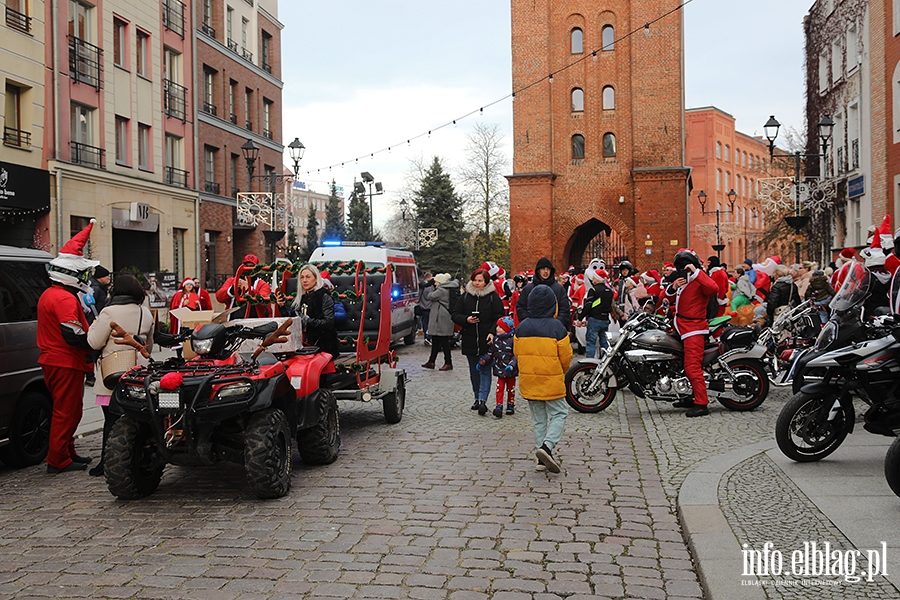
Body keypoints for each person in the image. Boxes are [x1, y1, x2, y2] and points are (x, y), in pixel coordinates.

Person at [37, 220, 99, 473]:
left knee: (70, 409)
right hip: (65, 361)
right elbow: (73, 335)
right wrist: (95, 345)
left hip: (58, 360)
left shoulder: (52, 294)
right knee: (66, 411)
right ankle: (58, 459)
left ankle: (67, 452)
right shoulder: (63, 298)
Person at [86, 275, 154, 477]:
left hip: (114, 370)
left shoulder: (109, 311)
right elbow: (148, 343)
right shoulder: (145, 312)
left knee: (111, 420)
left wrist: (93, 324)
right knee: (136, 417)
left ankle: (107, 461)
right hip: (139, 370)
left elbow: (94, 342)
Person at [513, 285, 573, 473]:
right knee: (559, 413)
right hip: (551, 379)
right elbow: (566, 356)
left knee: (539, 419)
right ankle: (547, 446)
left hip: (529, 380)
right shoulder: (557, 327)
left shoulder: (521, 327)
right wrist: (560, 372)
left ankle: (541, 459)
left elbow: (517, 354)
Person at [664, 249, 718, 418]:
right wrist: (673, 287)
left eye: (686, 266)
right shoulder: (682, 281)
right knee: (678, 363)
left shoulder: (699, 279)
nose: (684, 269)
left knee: (692, 367)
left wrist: (696, 272)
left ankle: (701, 403)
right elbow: (664, 298)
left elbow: (713, 288)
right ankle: (689, 395)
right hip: (680, 326)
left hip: (693, 328)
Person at [452, 267, 505, 415]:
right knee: (474, 371)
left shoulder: (493, 297)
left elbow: (499, 316)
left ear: (486, 282)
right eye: (475, 280)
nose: (477, 283)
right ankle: (477, 397)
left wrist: (492, 332)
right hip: (469, 339)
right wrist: (466, 319)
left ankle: (483, 400)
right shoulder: (465, 297)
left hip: (486, 340)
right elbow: (455, 314)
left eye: (480, 281)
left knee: (484, 370)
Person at [284, 264, 339, 358]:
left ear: (316, 278)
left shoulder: (324, 296)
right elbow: (291, 320)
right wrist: (282, 307)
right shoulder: (300, 299)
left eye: (308, 277)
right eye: (302, 277)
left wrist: (307, 321)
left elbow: (329, 323)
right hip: (302, 346)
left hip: (323, 346)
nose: (304, 280)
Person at [477, 316, 519, 418]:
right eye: (497, 326)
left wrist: (512, 365)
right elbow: (491, 353)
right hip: (500, 369)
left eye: (500, 327)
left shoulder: (513, 340)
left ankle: (510, 404)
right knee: (499, 388)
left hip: (510, 371)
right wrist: (482, 362)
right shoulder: (496, 340)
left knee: (511, 389)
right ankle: (499, 405)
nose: (497, 329)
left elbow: (516, 355)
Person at [515, 257, 571, 330]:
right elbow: (521, 307)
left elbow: (564, 309)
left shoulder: (559, 289)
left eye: (548, 269)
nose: (546, 271)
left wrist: (556, 324)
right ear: (538, 270)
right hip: (532, 329)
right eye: (543, 269)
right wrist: (528, 322)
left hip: (552, 329)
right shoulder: (528, 289)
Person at [216, 254, 276, 320]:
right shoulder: (232, 281)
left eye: (252, 266)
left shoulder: (263, 285)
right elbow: (219, 297)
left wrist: (249, 289)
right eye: (246, 266)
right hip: (232, 322)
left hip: (254, 324)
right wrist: (232, 290)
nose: (249, 269)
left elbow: (263, 302)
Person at [575, 269, 616, 359]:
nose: (592, 279)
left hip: (595, 320)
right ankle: (608, 361)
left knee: (591, 342)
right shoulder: (609, 291)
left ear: (597, 279)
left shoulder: (593, 290)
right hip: (605, 319)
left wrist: (580, 318)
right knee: (604, 342)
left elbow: (588, 306)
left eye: (594, 277)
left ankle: (589, 365)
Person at [421, 273, 458, 370]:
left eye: (436, 281)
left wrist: (432, 287)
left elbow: (430, 296)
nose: (435, 283)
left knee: (444, 341)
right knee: (436, 341)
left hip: (441, 319)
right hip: (441, 318)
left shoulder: (441, 290)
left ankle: (448, 362)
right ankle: (431, 361)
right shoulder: (447, 289)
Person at [417, 271, 434, 344]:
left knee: (425, 323)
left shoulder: (421, 286)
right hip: (429, 308)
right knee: (430, 323)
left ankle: (425, 337)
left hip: (422, 307)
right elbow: (432, 297)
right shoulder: (429, 287)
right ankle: (428, 337)